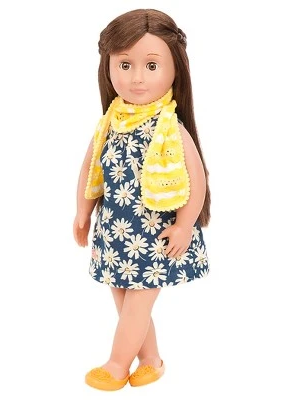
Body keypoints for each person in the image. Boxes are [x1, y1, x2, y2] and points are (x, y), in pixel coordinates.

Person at [73, 8, 211, 391]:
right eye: (125, 64)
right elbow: (90, 168)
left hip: (155, 235)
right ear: (108, 67)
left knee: (138, 301)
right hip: (114, 231)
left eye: (151, 66)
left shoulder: (170, 128)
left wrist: (184, 225)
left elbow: (196, 179)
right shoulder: (110, 123)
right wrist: (82, 212)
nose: (137, 77)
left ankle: (117, 365)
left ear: (175, 69)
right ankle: (150, 360)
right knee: (124, 298)